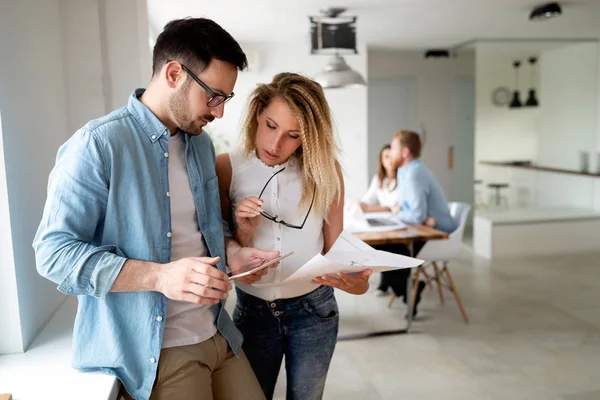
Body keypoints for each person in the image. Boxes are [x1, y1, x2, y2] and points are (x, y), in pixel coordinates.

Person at [33, 18, 278, 400]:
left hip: (219, 334)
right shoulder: (98, 145)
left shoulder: (199, 145)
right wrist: (160, 277)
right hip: (157, 351)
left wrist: (235, 252)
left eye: (225, 99)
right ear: (174, 73)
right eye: (213, 95)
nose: (219, 113)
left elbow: (208, 231)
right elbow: (53, 254)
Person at [216, 73, 373, 400]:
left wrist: (359, 283)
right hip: (252, 312)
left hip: (314, 312)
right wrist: (243, 230)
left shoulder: (326, 173)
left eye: (293, 135)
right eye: (271, 126)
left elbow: (337, 252)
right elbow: (221, 249)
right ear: (258, 111)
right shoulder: (225, 168)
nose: (276, 145)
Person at [379, 130, 457, 316]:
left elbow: (415, 216)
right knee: (385, 250)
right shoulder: (406, 172)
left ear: (405, 152)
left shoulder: (415, 173)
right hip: (423, 229)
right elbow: (412, 213)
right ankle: (410, 292)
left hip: (438, 235)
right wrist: (402, 212)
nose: (391, 152)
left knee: (387, 250)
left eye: (394, 148)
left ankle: (409, 291)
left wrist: (399, 214)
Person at [360, 144, 398, 213]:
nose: (390, 160)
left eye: (392, 156)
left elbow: (393, 207)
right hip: (384, 217)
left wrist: (384, 208)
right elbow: (367, 200)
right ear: (382, 161)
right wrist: (360, 206)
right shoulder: (378, 178)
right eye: (387, 157)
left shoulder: (403, 179)